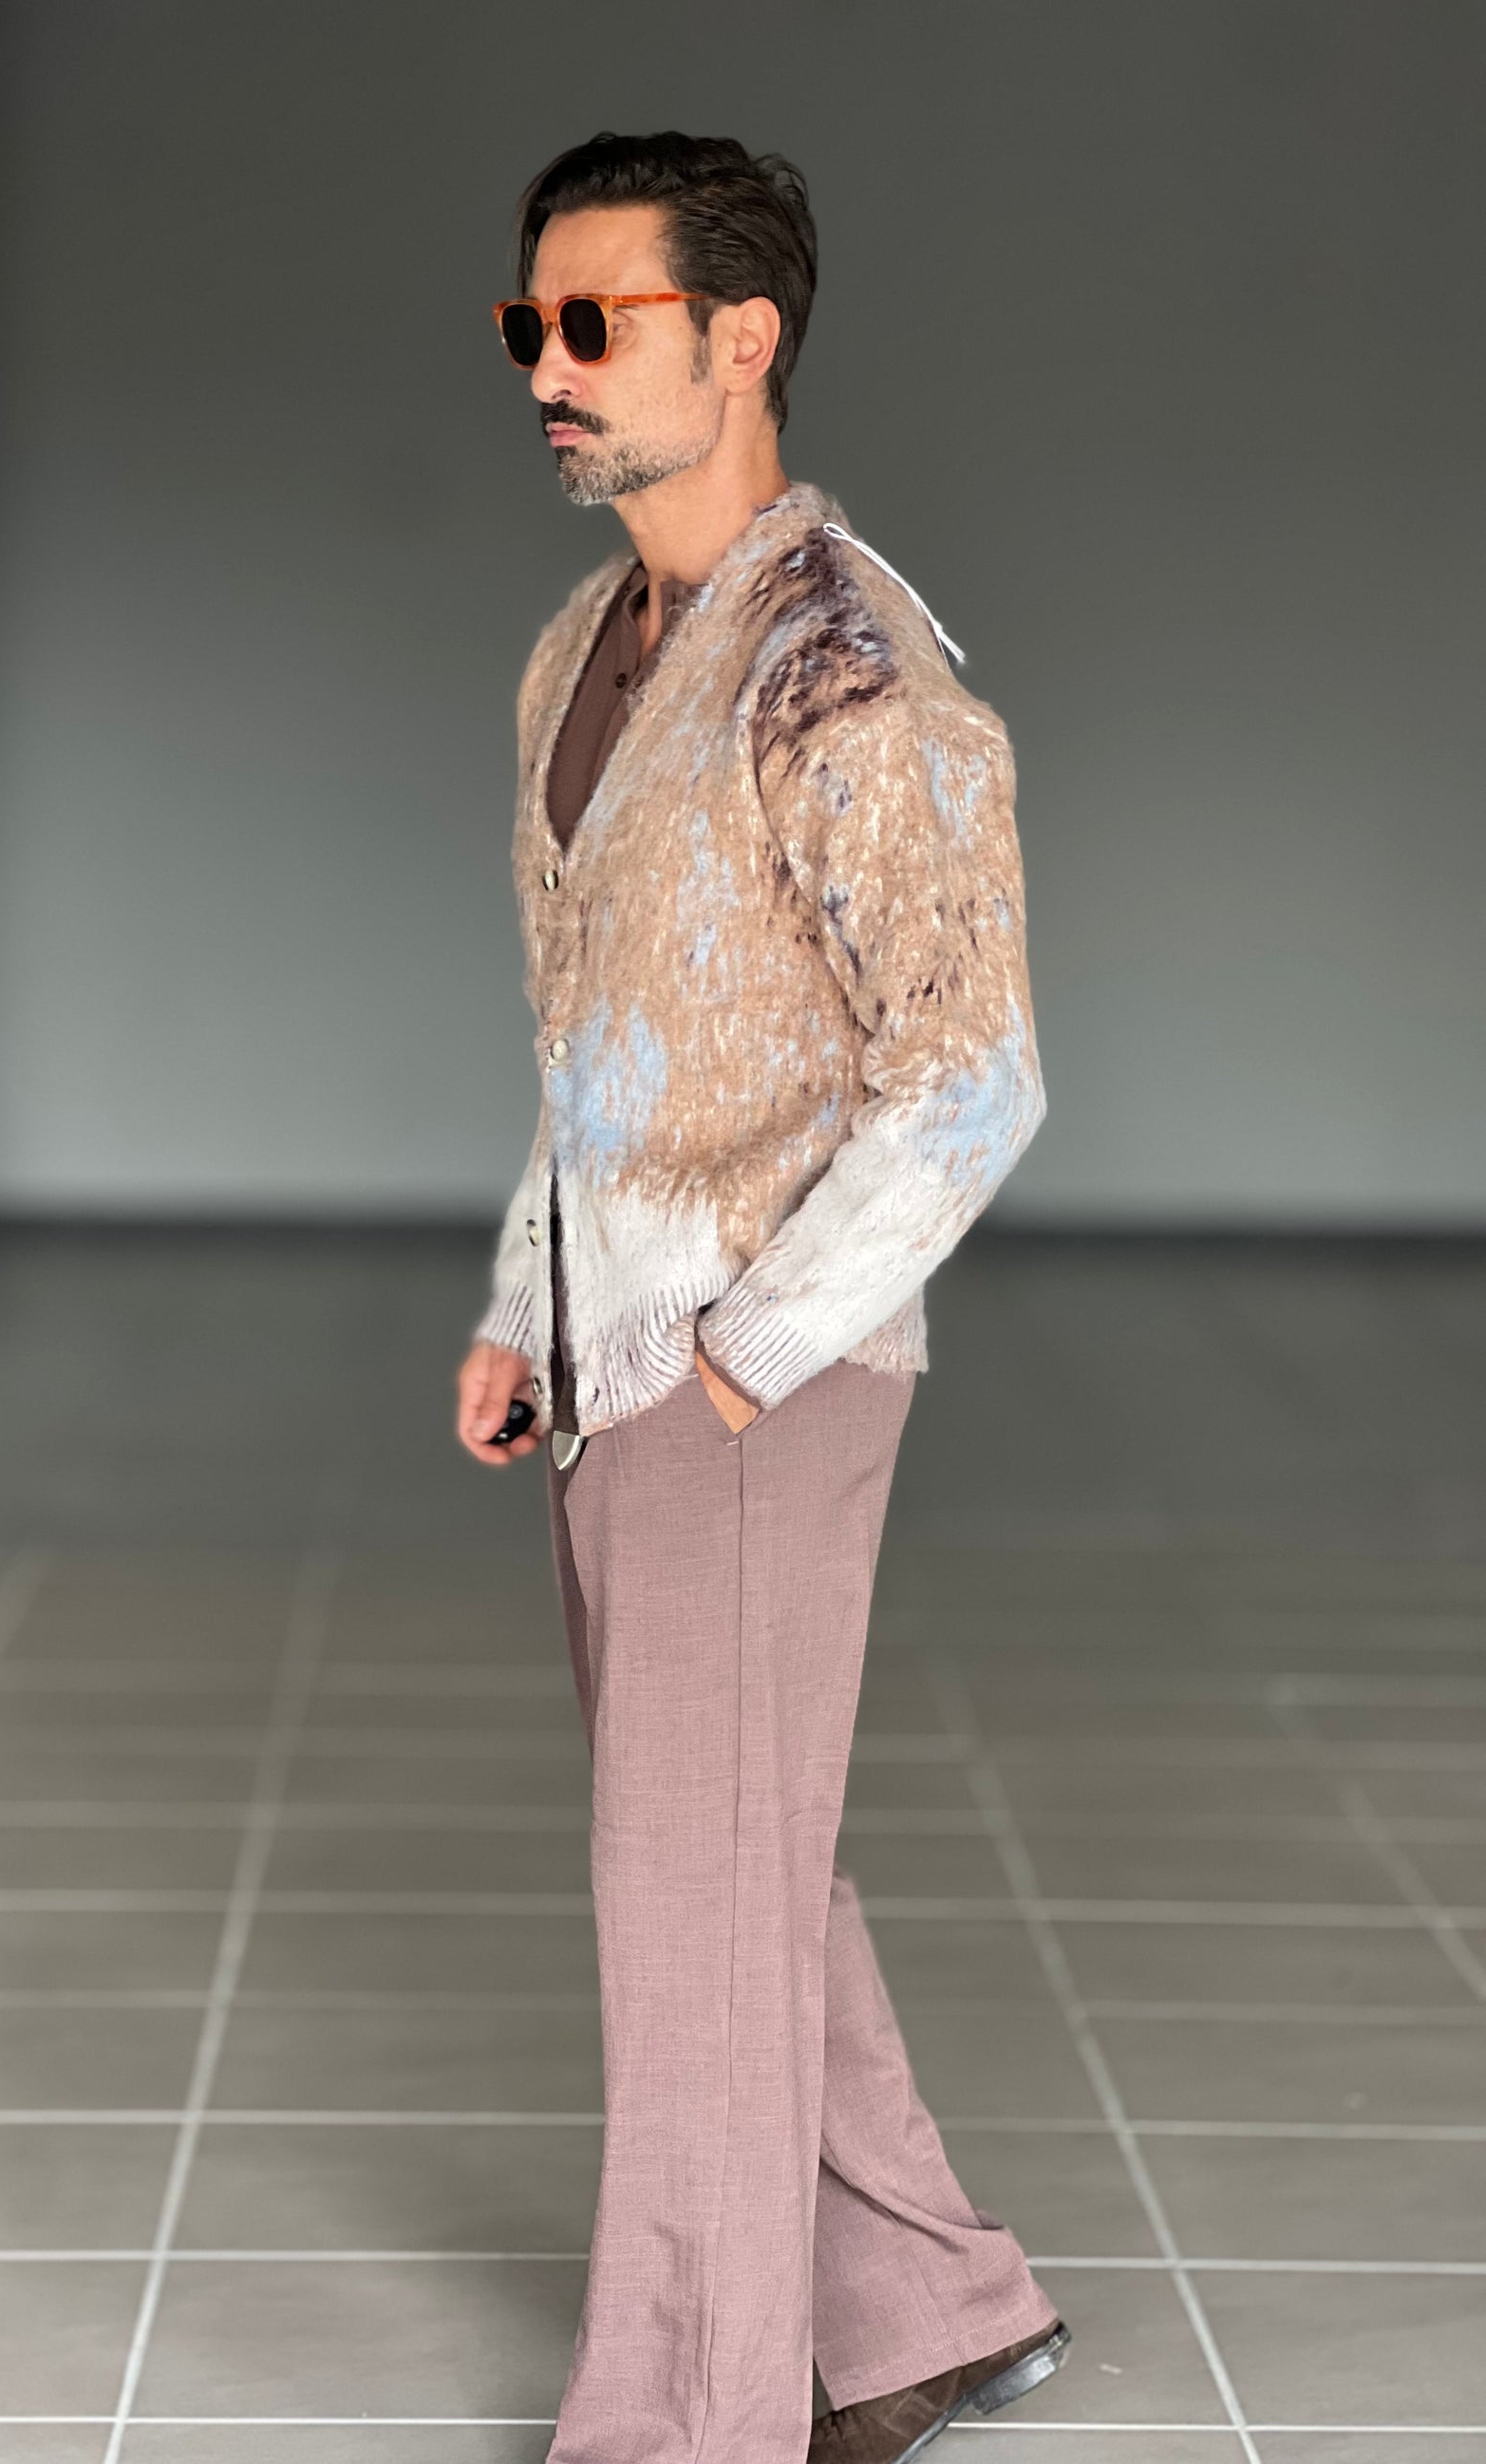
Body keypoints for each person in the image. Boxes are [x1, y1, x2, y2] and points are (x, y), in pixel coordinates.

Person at [453, 131, 1069, 2464]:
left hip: (748, 1374)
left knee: (687, 1891)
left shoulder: (846, 671)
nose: (546, 364)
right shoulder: (581, 650)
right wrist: (525, 1300)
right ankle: (923, 2306)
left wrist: (738, 1358)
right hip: (617, 1354)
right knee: (726, 1856)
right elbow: (600, 1045)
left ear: (741, 337)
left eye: (590, 320)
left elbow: (972, 1078)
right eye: (524, 323)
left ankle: (688, 2420)